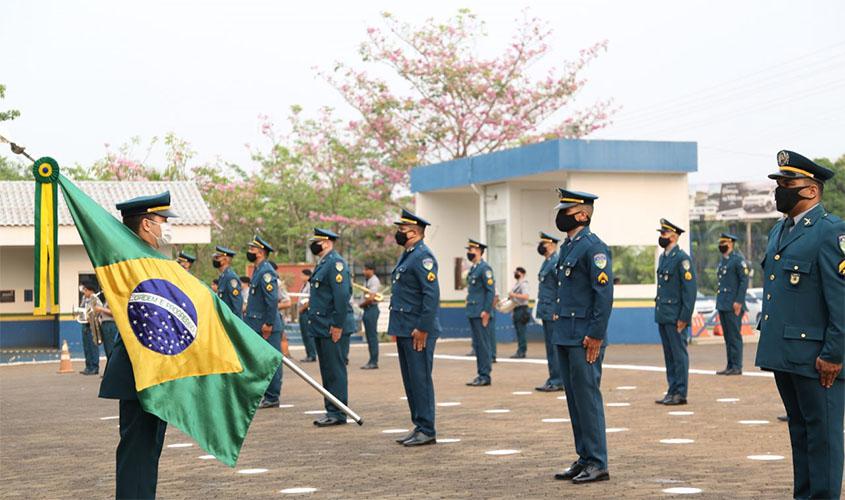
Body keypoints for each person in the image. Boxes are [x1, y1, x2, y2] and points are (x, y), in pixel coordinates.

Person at [755, 150, 844, 500]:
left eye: (787, 184)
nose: (780, 190)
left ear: (811, 190)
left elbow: (841, 300)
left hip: (818, 357)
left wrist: (835, 353)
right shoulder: (780, 230)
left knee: (822, 436)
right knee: (801, 432)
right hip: (787, 353)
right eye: (779, 183)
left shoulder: (830, 232)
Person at [99, 191, 177, 499]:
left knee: (147, 452)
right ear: (146, 224)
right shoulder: (136, 263)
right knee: (138, 454)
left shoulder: (151, 260)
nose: (165, 228)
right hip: (140, 371)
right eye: (161, 221)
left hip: (153, 370)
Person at [550, 188, 614, 484]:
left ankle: (598, 461)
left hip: (585, 336)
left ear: (583, 215)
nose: (560, 215)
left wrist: (596, 334)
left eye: (566, 210)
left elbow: (603, 294)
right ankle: (584, 457)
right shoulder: (568, 247)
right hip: (566, 333)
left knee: (587, 398)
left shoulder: (593, 248)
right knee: (574, 399)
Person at [388, 209, 441, 446]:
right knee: (410, 380)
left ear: (413, 231)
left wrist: (423, 328)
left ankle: (427, 428)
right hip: (404, 327)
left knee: (420, 379)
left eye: (401, 229)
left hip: (417, 330)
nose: (398, 233)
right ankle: (419, 424)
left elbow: (431, 295)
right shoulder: (408, 254)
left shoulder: (422, 256)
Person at [306, 228, 356, 426]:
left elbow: (342, 296)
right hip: (322, 326)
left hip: (332, 327)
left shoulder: (335, 263)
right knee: (327, 370)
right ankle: (331, 409)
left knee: (335, 370)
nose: (314, 245)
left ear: (326, 243)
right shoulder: (325, 263)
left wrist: (337, 325)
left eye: (316, 241)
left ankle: (338, 412)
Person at [654, 218, 696, 406]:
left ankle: (681, 392)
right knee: (669, 355)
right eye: (661, 233)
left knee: (679, 355)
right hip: (664, 314)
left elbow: (689, 291)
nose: (661, 236)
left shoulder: (682, 259)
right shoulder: (663, 257)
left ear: (674, 235)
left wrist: (684, 317)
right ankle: (672, 390)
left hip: (676, 316)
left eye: (664, 233)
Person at [244, 236, 283, 409]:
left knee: (272, 361)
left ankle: (273, 396)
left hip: (266, 326)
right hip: (257, 325)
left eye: (252, 249)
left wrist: (268, 323)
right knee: (263, 362)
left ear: (260, 252)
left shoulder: (266, 272)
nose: (249, 252)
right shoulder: (258, 269)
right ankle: (268, 395)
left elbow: (272, 299)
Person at [715, 233, 749, 375]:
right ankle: (730, 365)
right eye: (721, 243)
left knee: (734, 336)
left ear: (731, 244)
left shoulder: (737, 260)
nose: (722, 245)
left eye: (725, 243)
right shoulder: (723, 261)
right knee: (727, 336)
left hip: (733, 304)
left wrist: (739, 301)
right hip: (723, 303)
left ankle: (737, 366)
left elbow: (744, 281)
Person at [535, 232, 564, 392]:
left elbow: (561, 286)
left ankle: (558, 380)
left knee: (554, 348)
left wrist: (558, 310)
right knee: (549, 347)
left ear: (552, 245)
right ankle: (553, 377)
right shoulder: (547, 262)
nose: (541, 246)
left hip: (553, 310)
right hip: (546, 309)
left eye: (544, 244)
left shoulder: (555, 262)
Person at [464, 238, 495, 386]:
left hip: (481, 313)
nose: (469, 252)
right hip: (473, 311)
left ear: (479, 251)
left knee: (483, 345)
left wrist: (486, 311)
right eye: (468, 250)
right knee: (477, 345)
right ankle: (480, 373)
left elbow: (490, 291)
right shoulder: (474, 268)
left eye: (472, 250)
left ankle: (485, 375)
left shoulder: (485, 268)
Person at [360, 263, 381, 369]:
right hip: (367, 310)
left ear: (371, 270)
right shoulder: (367, 280)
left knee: (372, 336)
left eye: (365, 269)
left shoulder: (374, 280)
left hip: (371, 309)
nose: (363, 272)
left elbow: (371, 298)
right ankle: (371, 359)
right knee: (369, 336)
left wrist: (361, 304)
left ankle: (374, 361)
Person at [79, 281, 103, 375]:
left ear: (90, 291)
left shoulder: (95, 299)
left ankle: (94, 367)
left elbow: (99, 311)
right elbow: (82, 308)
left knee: (93, 346)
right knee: (86, 347)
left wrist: (92, 316)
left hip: (92, 325)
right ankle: (88, 366)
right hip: (84, 323)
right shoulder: (84, 298)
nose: (84, 292)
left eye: (85, 290)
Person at [213, 246, 243, 319]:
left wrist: (235, 324)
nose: (215, 260)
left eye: (217, 258)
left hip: (230, 320)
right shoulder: (223, 276)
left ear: (225, 259)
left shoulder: (230, 278)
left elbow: (237, 304)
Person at [508, 267, 531, 359]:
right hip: (516, 309)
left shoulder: (523, 284)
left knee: (521, 331)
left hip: (522, 309)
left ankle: (522, 351)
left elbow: (526, 296)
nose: (515, 273)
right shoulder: (517, 284)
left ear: (522, 273)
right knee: (518, 331)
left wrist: (514, 295)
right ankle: (520, 350)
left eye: (517, 272)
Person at [298, 269, 317, 362]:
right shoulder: (304, 286)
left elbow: (310, 299)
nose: (301, 277)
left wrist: (303, 308)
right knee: (304, 334)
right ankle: (308, 353)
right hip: (302, 311)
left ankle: (312, 354)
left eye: (302, 275)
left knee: (308, 334)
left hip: (307, 312)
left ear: (307, 276)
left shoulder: (310, 285)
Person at [94, 294, 118, 361]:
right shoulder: (106, 300)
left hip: (110, 324)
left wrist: (101, 309)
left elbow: (115, 312)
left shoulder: (112, 299)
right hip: (105, 324)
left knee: (110, 348)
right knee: (107, 349)